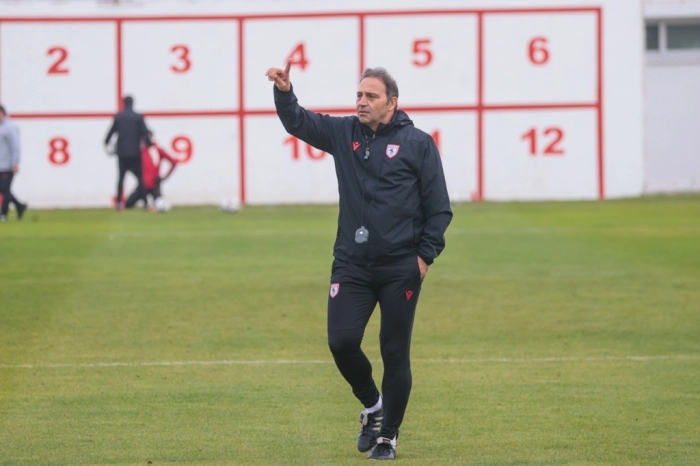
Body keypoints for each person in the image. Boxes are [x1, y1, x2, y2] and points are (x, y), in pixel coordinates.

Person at [266, 62, 452, 460]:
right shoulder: (344, 133)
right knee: (342, 342)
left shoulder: (418, 143)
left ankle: (388, 437)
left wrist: (424, 257)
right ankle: (373, 405)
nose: (362, 102)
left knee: (394, 352)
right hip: (351, 264)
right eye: (359, 95)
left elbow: (439, 208)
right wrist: (284, 92)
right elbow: (298, 121)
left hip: (400, 267)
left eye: (371, 96)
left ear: (392, 103)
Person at [104, 95, 152, 210]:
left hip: (122, 153)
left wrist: (107, 143)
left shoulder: (119, 117)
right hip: (135, 153)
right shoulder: (138, 117)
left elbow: (111, 132)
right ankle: (145, 203)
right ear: (133, 103)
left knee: (121, 178)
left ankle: (119, 203)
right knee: (140, 178)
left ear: (124, 103)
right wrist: (149, 144)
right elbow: (144, 133)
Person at [124, 130, 178, 210]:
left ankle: (151, 205)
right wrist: (138, 176)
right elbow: (128, 165)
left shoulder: (157, 150)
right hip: (142, 185)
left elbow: (173, 162)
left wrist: (164, 177)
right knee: (128, 204)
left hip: (154, 185)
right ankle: (147, 205)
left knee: (160, 205)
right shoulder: (139, 151)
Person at [0, 104, 28, 222]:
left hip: (7, 165)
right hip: (1, 165)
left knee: (5, 190)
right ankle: (20, 206)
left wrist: (15, 163)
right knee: (3, 189)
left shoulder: (10, 127)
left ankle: (3, 213)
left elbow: (15, 146)